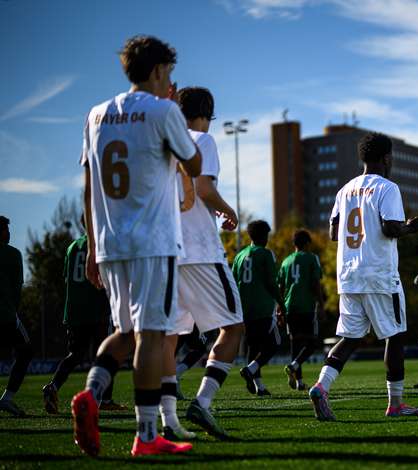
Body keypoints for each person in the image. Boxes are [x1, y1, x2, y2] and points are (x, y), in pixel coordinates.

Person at [72, 35, 202, 457]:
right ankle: (147, 436)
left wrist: (92, 246)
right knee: (150, 335)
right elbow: (194, 163)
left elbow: (89, 186)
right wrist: (174, 111)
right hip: (152, 239)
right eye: (169, 72)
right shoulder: (164, 110)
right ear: (159, 70)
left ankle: (92, 393)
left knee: (123, 333)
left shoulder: (95, 115)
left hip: (110, 242)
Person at [310, 132, 418, 421]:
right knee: (395, 336)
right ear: (387, 157)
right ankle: (396, 403)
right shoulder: (387, 187)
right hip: (379, 274)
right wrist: (409, 229)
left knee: (350, 338)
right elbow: (389, 228)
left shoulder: (344, 190)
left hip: (348, 274)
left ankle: (321, 386)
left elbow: (334, 233)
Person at [157, 85, 242, 442]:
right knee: (234, 326)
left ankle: (167, 419)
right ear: (208, 113)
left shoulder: (162, 143)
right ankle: (203, 402)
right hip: (201, 253)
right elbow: (204, 188)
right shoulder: (202, 140)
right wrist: (229, 209)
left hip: (166, 252)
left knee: (168, 338)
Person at [43, 215, 125, 415]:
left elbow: (67, 278)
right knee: (107, 353)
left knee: (75, 354)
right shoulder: (102, 244)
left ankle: (53, 386)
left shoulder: (72, 247)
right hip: (96, 308)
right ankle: (105, 399)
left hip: (74, 310)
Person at [233, 220, 281, 397]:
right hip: (263, 306)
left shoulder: (239, 256)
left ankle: (259, 386)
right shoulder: (265, 254)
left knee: (253, 346)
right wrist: (281, 303)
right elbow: (271, 282)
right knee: (274, 343)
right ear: (263, 235)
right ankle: (250, 369)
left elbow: (233, 282)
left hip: (245, 309)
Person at [277, 229, 324, 391]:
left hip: (290, 306)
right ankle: (294, 366)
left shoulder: (285, 261)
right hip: (306, 306)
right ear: (306, 243)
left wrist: (279, 308)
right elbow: (315, 283)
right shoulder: (312, 258)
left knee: (295, 344)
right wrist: (321, 305)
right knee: (312, 343)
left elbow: (280, 287)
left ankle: (299, 382)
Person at [0, 216, 33, 417]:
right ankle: (7, 398)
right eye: (5, 229)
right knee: (26, 351)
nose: (9, 233)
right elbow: (17, 290)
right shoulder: (12, 254)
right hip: (5, 315)